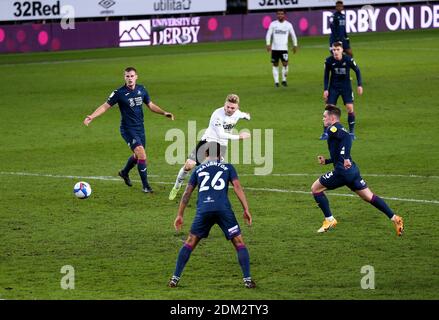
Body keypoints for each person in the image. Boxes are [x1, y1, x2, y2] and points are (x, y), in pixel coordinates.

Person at [168, 142, 256, 288]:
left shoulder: (198, 170)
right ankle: (247, 280)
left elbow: (187, 193)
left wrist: (180, 215)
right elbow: (237, 188)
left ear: (205, 154)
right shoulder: (228, 167)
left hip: (204, 210)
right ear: (220, 154)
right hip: (223, 210)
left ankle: (174, 279)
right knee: (239, 243)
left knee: (190, 242)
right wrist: (246, 209)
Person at [311, 105, 404, 236]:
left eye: (324, 116)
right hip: (352, 171)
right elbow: (339, 153)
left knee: (315, 189)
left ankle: (329, 220)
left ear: (332, 118)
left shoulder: (333, 129)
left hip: (342, 172)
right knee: (369, 196)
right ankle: (395, 218)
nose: (323, 119)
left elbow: (347, 137)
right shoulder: (338, 128)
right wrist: (327, 161)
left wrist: (345, 157)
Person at [83, 67, 175, 193]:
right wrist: (92, 116)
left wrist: (164, 113)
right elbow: (105, 106)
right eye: (127, 76)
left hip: (140, 129)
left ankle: (124, 172)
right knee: (142, 154)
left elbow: (150, 105)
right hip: (127, 129)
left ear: (136, 76)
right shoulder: (119, 93)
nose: (130, 78)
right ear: (124, 77)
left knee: (137, 156)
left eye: (132, 76)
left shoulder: (141, 89)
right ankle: (146, 186)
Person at [168, 94, 251, 201]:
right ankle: (176, 187)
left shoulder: (238, 113)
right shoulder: (217, 115)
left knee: (215, 169)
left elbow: (244, 115)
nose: (229, 109)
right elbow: (221, 134)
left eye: (232, 108)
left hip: (221, 145)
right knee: (188, 166)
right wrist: (239, 137)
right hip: (209, 140)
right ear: (224, 105)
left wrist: (247, 116)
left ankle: (212, 194)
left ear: (237, 108)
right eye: (227, 107)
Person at [321, 41, 362, 140]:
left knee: (349, 108)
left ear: (342, 50)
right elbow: (326, 75)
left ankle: (351, 133)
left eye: (337, 49)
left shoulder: (348, 60)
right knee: (329, 109)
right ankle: (326, 132)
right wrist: (326, 89)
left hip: (346, 87)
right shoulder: (329, 61)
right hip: (333, 87)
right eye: (334, 50)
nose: (335, 52)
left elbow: (357, 70)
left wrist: (359, 85)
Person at [265, 9, 298, 87]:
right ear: (277, 15)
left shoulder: (288, 25)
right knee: (275, 64)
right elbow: (268, 34)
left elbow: (293, 35)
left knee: (285, 64)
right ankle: (276, 82)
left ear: (284, 15)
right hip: (275, 48)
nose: (280, 15)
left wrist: (295, 45)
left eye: (281, 14)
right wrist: (268, 44)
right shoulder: (273, 24)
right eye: (278, 14)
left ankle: (284, 80)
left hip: (284, 48)